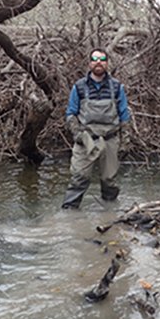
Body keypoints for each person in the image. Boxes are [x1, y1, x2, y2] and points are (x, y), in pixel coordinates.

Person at [61, 48, 130, 209]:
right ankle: (69, 217)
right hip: (86, 140)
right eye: (95, 59)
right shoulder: (78, 87)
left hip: (110, 139)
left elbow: (124, 115)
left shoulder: (116, 87)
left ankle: (110, 214)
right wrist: (78, 134)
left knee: (109, 181)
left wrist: (125, 140)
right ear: (90, 63)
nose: (98, 62)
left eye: (102, 59)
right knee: (79, 178)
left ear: (107, 63)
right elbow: (71, 114)